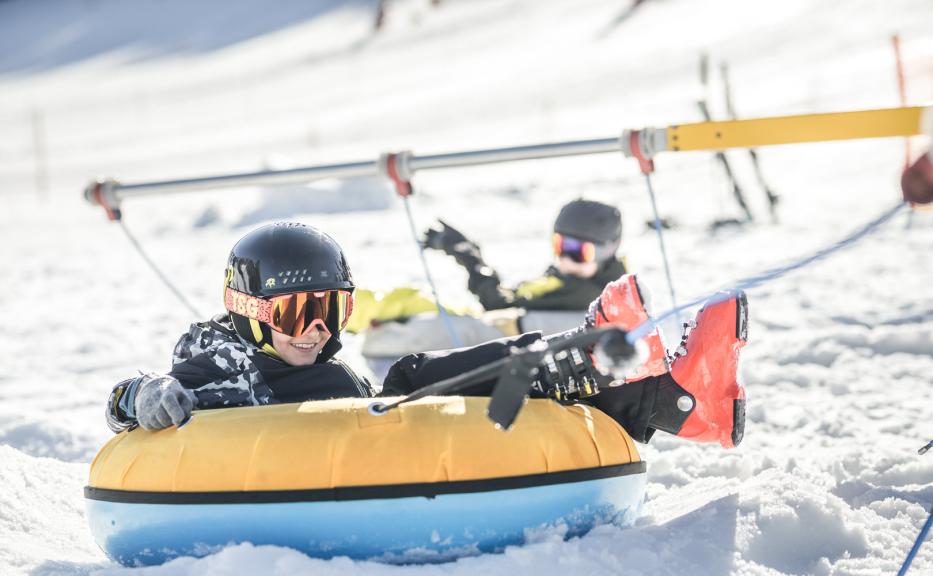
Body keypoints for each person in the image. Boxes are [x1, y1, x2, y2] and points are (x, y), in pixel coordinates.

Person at [106, 221, 748, 448]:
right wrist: (141, 395)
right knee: (409, 379)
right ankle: (576, 357)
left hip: (364, 441)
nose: (318, 329)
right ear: (246, 310)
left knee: (420, 384)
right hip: (312, 463)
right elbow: (158, 396)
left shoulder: (313, 354)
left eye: (333, 310)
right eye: (297, 312)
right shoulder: (218, 353)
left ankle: (679, 400)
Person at [422, 199, 628, 312]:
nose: (565, 259)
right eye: (560, 245)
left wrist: (471, 258)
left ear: (605, 252)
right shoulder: (580, 281)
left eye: (577, 252)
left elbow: (500, 306)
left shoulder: (588, 294)